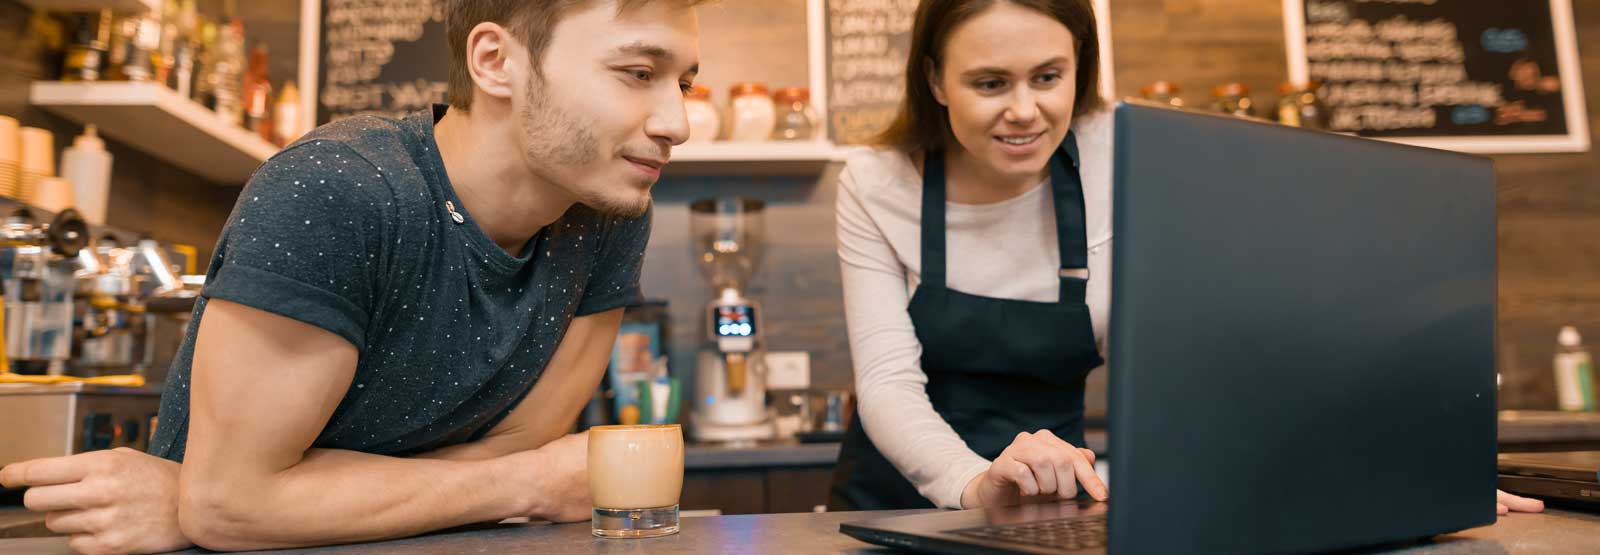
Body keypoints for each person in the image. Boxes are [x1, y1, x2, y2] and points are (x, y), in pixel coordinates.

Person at [0, 1, 704, 553]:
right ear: (496, 61)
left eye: (684, 82)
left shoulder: (609, 213)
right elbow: (233, 504)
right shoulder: (340, 188)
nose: (677, 120)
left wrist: (247, 497)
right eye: (639, 73)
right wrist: (528, 482)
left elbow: (516, 449)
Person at [826, 0, 1549, 519]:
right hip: (898, 506)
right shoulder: (877, 182)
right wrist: (977, 483)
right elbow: (888, 381)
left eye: (1048, 76)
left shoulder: (1121, 153)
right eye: (989, 83)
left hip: (1051, 508)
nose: (1025, 111)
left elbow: (1224, 357)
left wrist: (1407, 479)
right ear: (933, 81)